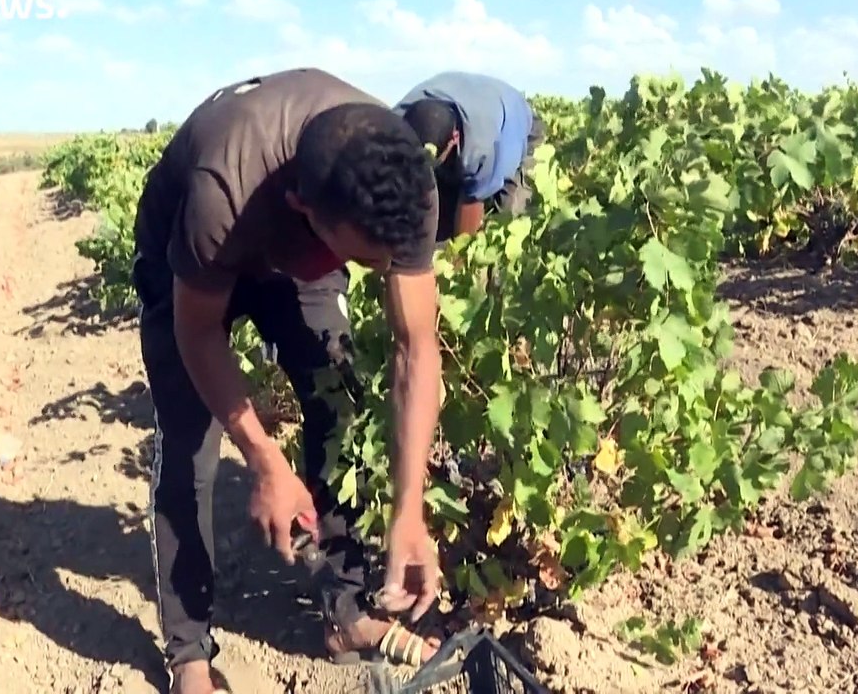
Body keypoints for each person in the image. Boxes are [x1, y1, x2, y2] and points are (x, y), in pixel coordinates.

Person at [130, 68, 446, 694]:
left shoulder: (404, 182)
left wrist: (409, 509)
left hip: (296, 261)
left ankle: (349, 614)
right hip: (191, 262)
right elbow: (199, 335)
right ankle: (190, 653)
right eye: (366, 259)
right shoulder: (223, 186)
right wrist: (265, 459)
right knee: (191, 448)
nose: (382, 270)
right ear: (305, 209)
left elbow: (416, 345)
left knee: (340, 396)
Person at [393, 71, 547, 241]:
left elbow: (467, 224)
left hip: (517, 123)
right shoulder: (396, 120)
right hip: (470, 98)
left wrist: (457, 261)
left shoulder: (482, 147)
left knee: (507, 216)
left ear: (455, 138)